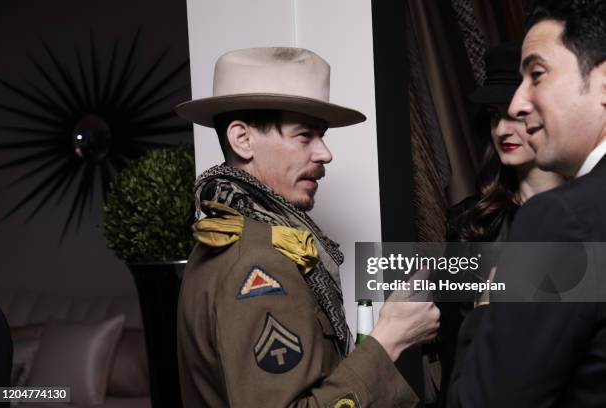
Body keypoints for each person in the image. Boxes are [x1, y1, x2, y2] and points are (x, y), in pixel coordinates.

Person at [175, 47, 440, 408]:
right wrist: (390, 337)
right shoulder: (258, 264)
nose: (324, 153)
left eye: (322, 135)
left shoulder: (239, 236)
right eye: (304, 136)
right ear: (242, 139)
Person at [450, 1, 606, 406]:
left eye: (536, 75)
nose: (517, 108)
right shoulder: (472, 222)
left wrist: (488, 307)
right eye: (493, 115)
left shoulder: (560, 218)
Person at [439, 43, 563, 407]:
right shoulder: (469, 225)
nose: (503, 130)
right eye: (495, 116)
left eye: (516, 115)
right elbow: (455, 349)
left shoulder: (587, 215)